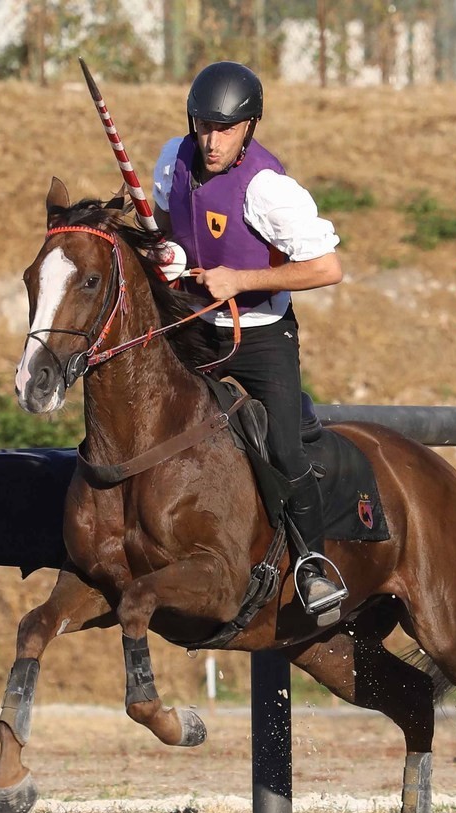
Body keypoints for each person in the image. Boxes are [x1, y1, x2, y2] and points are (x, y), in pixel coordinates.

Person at [151, 60, 348, 627]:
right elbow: (167, 224)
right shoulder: (174, 157)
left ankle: (312, 563)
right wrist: (168, 252)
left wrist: (241, 280)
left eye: (225, 129)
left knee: (284, 449)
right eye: (203, 126)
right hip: (193, 327)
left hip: (261, 339)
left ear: (249, 128)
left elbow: (326, 268)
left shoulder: (268, 190)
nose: (210, 141)